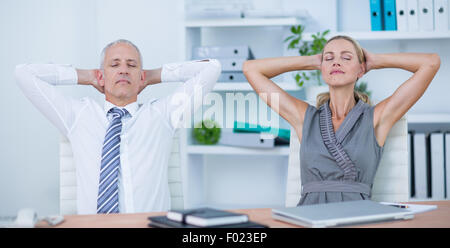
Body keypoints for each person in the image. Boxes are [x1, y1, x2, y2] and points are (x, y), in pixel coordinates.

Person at [15, 39, 221, 214]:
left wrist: (153, 75)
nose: (123, 70)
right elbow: (23, 74)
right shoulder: (77, 116)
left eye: (132, 65)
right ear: (101, 76)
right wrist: (86, 76)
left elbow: (211, 68)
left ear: (141, 76)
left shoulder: (163, 114)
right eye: (114, 65)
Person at [243, 35, 440, 205]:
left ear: (361, 70)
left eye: (346, 58)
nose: (336, 62)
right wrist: (312, 61)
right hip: (309, 217)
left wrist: (376, 60)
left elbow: (431, 63)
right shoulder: (304, 117)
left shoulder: (377, 118)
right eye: (329, 58)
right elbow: (251, 69)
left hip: (360, 218)